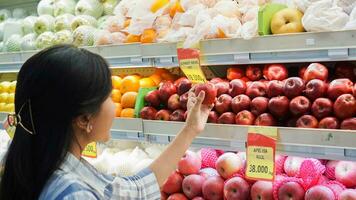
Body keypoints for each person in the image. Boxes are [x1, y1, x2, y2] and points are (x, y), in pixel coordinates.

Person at [0, 45, 212, 200]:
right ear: (84, 119)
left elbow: (136, 188)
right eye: (109, 96)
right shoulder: (74, 192)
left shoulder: (38, 163)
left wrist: (191, 129)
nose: (114, 105)